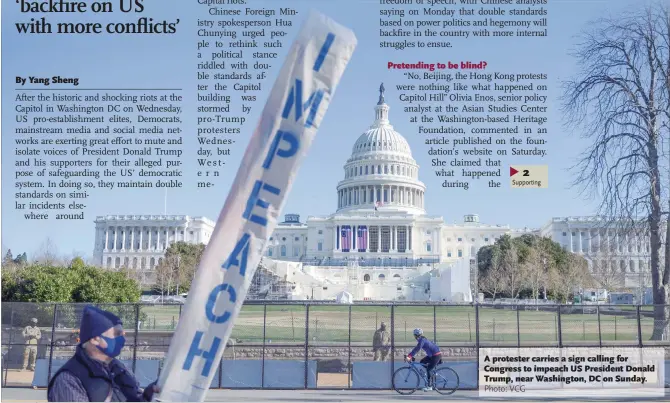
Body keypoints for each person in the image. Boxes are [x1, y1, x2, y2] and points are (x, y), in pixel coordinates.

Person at [47, 306, 159, 402]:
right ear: (95, 339)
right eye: (117, 334)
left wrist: (147, 396)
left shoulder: (119, 369)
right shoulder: (69, 379)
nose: (122, 339)